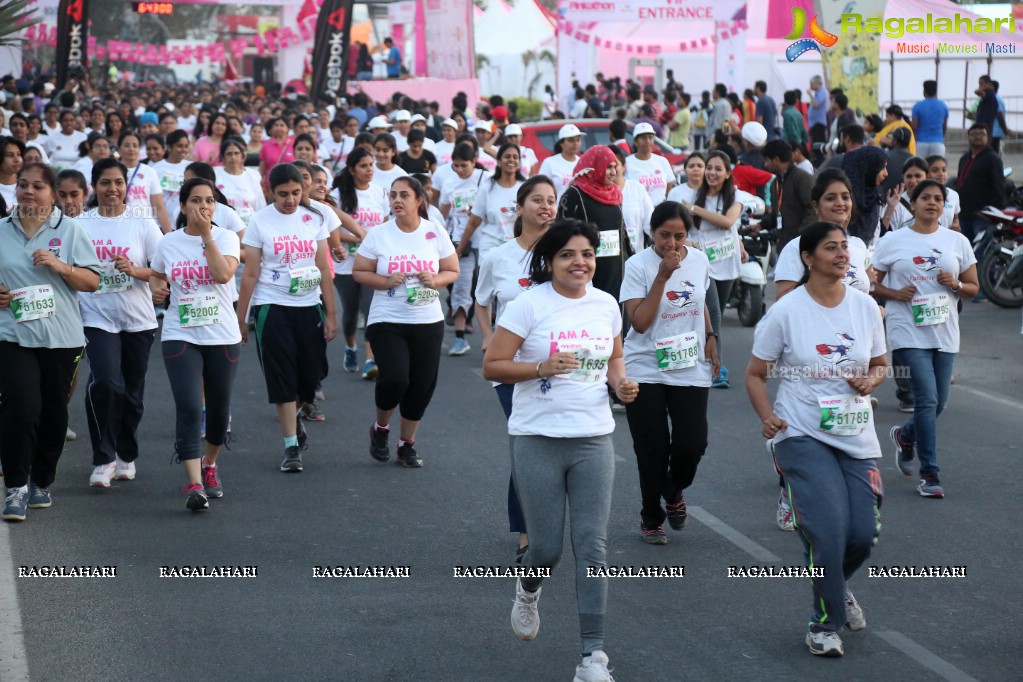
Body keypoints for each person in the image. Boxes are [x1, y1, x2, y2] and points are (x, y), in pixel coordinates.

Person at [482, 218, 638, 682]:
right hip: (536, 438)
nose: (580, 262)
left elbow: (613, 358)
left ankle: (592, 657)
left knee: (592, 547)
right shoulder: (529, 305)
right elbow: (493, 363)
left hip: (593, 437)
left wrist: (621, 384)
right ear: (550, 260)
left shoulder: (606, 305)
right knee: (546, 548)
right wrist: (540, 367)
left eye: (587, 254)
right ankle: (528, 588)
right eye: (569, 254)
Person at [746, 220, 887, 657]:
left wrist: (871, 380)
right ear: (808, 258)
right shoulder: (787, 311)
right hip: (800, 431)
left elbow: (881, 363)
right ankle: (824, 624)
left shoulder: (865, 307)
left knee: (862, 534)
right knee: (828, 530)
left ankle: (833, 582)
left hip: (854, 432)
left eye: (845, 247)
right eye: (831, 248)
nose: (842, 254)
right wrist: (768, 417)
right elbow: (756, 374)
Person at [0, 163, 100, 521]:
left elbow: (92, 282)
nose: (28, 191)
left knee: (53, 413)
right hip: (11, 334)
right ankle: (15, 487)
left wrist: (62, 267)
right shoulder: (1, 230)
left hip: (61, 338)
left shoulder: (70, 231)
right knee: (21, 407)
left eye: (37, 186)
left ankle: (41, 480)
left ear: (52, 194)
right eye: (23, 185)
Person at [871, 180, 979, 498]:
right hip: (907, 330)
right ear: (913, 204)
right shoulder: (893, 241)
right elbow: (871, 282)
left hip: (945, 331)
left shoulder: (956, 241)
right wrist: (894, 294)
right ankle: (929, 473)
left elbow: (973, 287)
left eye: (938, 199)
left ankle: (906, 437)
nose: (932, 203)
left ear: (944, 206)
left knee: (938, 403)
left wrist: (956, 284)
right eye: (926, 198)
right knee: (927, 400)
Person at [621, 201, 718, 544]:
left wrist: (710, 335)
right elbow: (640, 322)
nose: (673, 244)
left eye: (679, 236)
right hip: (644, 365)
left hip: (688, 362)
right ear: (651, 231)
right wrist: (662, 275)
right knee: (652, 447)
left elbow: (700, 301)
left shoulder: (700, 261)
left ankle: (673, 491)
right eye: (665, 235)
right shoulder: (637, 266)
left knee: (693, 443)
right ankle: (651, 516)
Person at [474, 175, 557, 562]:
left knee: (546, 445)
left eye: (551, 200)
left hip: (556, 366)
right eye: (537, 200)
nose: (546, 206)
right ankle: (527, 534)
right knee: (526, 443)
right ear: (518, 208)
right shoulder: (498, 257)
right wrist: (489, 334)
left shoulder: (562, 255)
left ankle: (542, 523)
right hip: (510, 369)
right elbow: (481, 299)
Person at [236, 163, 339, 473]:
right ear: (270, 192)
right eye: (283, 195)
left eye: (296, 193)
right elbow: (251, 272)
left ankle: (296, 415)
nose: (290, 200)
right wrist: (240, 319)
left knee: (311, 377)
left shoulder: (314, 217)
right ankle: (291, 446)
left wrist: (331, 313)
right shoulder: (259, 222)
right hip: (272, 306)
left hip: (309, 305)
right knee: (282, 377)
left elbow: (323, 267)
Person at [353, 176, 460, 467]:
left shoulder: (434, 231)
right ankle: (381, 428)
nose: (397, 200)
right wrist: (386, 280)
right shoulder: (379, 234)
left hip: (427, 318)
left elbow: (452, 269)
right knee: (396, 377)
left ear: (419, 200)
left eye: (404, 195)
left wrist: (435, 280)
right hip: (388, 317)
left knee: (421, 384)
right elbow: (360, 271)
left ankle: (406, 445)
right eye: (393, 195)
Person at [151, 178, 241, 511]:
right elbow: (158, 275)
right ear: (184, 206)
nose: (203, 207)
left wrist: (206, 236)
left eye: (209, 201)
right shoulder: (168, 243)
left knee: (218, 412)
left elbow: (222, 275)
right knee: (190, 406)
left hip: (222, 335)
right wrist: (156, 289)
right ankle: (194, 483)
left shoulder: (226, 237)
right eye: (196, 201)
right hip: (181, 333)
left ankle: (210, 464)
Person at [77, 158, 163, 489]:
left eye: (118, 182)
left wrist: (135, 271)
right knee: (107, 383)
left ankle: (126, 454)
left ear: (127, 185)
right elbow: (71, 269)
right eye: (105, 183)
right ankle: (103, 458)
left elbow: (160, 267)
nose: (112, 189)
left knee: (132, 392)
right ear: (94, 186)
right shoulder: (82, 224)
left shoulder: (141, 222)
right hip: (96, 315)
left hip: (137, 318)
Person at [679, 150, 746, 388]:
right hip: (703, 262)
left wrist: (694, 210)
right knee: (714, 312)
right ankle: (714, 365)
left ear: (728, 174)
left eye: (718, 169)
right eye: (710, 168)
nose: (712, 173)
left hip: (727, 260)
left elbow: (729, 222)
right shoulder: (696, 195)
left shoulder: (735, 195)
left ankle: (705, 357)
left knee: (712, 317)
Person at [331, 148, 386, 378]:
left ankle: (370, 359)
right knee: (351, 313)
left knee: (370, 309)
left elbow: (383, 226)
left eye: (371, 165)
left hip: (372, 264)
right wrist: (354, 238)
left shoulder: (379, 193)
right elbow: (330, 230)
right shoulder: (338, 195)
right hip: (346, 264)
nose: (369, 170)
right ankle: (350, 347)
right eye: (364, 166)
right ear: (352, 169)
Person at [557, 145, 630, 303]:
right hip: (587, 269)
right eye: (608, 167)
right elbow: (560, 236)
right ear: (594, 166)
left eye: (614, 167)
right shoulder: (574, 194)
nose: (613, 172)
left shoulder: (614, 194)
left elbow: (622, 232)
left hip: (616, 269)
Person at [441, 143, 487, 354]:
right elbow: (442, 211)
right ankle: (460, 338)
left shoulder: (486, 179)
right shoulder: (449, 182)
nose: (460, 170)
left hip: (487, 239)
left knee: (490, 287)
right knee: (461, 286)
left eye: (464, 166)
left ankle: (494, 335)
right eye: (456, 165)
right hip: (461, 241)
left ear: (474, 161)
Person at [461, 142, 524, 259]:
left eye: (515, 157)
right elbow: (474, 222)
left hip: (518, 249)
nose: (511, 160)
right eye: (507, 156)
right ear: (499, 161)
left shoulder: (526, 188)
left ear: (519, 163)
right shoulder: (487, 187)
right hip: (491, 249)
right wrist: (459, 250)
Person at [762, 139, 815, 252]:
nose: (765, 165)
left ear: (776, 159)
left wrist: (801, 239)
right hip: (784, 246)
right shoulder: (775, 183)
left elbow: (813, 210)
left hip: (801, 248)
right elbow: (777, 214)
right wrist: (760, 225)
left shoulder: (802, 178)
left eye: (767, 160)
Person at [955, 123, 1003, 243]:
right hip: (964, 214)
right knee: (965, 250)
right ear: (968, 137)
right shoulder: (964, 158)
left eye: (981, 134)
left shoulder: (993, 158)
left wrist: (990, 213)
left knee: (980, 253)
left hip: (981, 217)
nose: (977, 136)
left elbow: (998, 188)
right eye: (973, 134)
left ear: (988, 137)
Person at [118, 131, 173, 233]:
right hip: (121, 226)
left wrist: (169, 234)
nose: (131, 149)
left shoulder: (149, 171)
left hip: (146, 227)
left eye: (135, 145)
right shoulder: (113, 171)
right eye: (127, 145)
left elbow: (159, 206)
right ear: (119, 148)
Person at [841, 144, 889, 248]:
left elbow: (879, 235)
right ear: (870, 169)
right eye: (883, 168)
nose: (886, 173)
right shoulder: (843, 203)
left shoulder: (875, 198)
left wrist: (891, 208)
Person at [214, 136, 266, 228]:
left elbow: (260, 206)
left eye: (236, 153)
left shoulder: (253, 175)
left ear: (242, 156)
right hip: (223, 226)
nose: (233, 157)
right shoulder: (215, 174)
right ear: (223, 157)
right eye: (229, 154)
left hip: (249, 226)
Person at [610, 145, 654, 251]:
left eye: (615, 165)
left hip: (635, 254)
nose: (612, 170)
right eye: (607, 166)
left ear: (624, 166)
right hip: (608, 257)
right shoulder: (595, 192)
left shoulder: (637, 189)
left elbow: (650, 223)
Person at [625, 122, 676, 205]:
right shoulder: (627, 163)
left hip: (660, 210)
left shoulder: (662, 161)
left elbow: (669, 184)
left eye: (650, 138)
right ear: (635, 141)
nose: (648, 141)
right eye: (643, 138)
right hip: (639, 211)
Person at [152, 129, 191, 221]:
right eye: (179, 146)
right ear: (169, 147)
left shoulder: (190, 167)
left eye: (186, 146)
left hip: (184, 220)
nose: (183, 150)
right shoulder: (156, 168)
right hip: (161, 220)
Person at [538, 124, 582, 200]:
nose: (575, 143)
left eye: (578, 140)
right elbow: (540, 188)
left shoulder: (582, 163)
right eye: (571, 140)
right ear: (562, 143)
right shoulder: (549, 163)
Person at [912, 80, 948, 158]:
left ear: (924, 91)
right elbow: (944, 126)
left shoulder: (918, 106)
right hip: (938, 143)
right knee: (936, 167)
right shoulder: (943, 106)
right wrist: (940, 138)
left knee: (920, 168)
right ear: (936, 91)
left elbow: (914, 127)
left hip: (921, 142)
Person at [925, 155, 961, 232]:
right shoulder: (920, 196)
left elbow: (956, 218)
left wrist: (956, 226)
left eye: (944, 170)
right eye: (935, 170)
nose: (941, 174)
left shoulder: (953, 195)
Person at [258, 117, 295, 182]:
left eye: (282, 125)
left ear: (287, 128)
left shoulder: (293, 145)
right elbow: (262, 169)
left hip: (291, 182)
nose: (279, 127)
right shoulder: (266, 146)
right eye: (276, 125)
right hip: (271, 183)